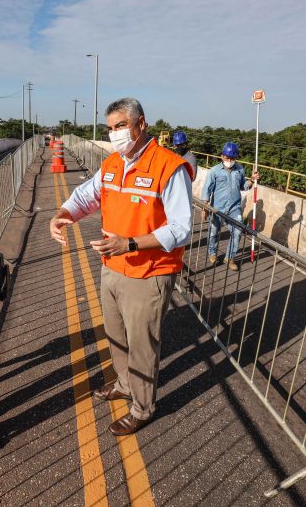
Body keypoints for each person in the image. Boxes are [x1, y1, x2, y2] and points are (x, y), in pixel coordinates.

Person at [50, 98, 193, 435]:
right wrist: (62, 215)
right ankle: (125, 385)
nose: (114, 134)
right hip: (113, 267)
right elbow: (87, 196)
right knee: (115, 336)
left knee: (143, 346)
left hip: (149, 272)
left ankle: (143, 408)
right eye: (110, 128)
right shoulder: (113, 163)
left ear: (140, 124)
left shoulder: (168, 166)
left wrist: (129, 243)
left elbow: (180, 227)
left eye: (120, 126)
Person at [200, 142, 258, 269]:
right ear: (222, 156)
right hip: (216, 208)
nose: (229, 160)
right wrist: (205, 207)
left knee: (237, 232)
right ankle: (212, 253)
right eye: (227, 158)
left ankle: (230, 258)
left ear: (236, 158)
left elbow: (243, 186)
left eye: (232, 158)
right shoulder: (214, 171)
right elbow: (207, 190)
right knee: (213, 232)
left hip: (234, 208)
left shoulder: (240, 169)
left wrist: (252, 180)